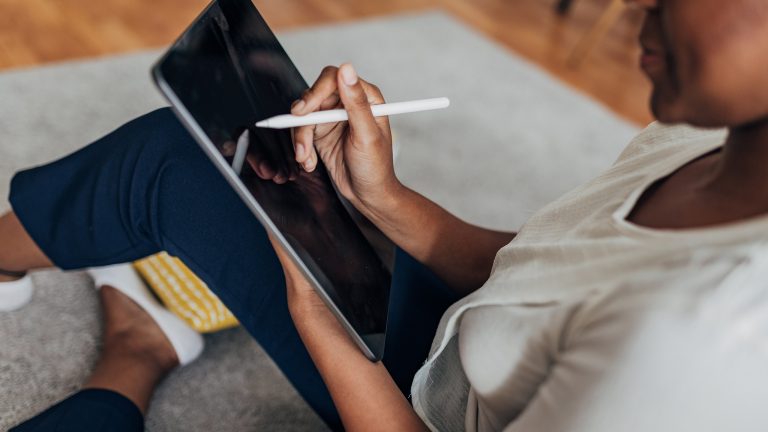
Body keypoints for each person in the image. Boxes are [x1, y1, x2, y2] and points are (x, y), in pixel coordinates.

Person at [3, 0, 768, 430]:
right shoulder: (704, 129)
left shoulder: (714, 340)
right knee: (182, 154)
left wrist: (324, 325)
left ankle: (136, 354)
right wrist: (383, 201)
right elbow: (550, 274)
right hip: (457, 354)